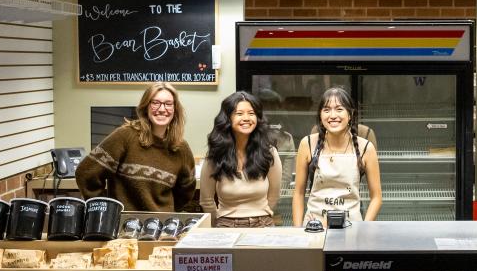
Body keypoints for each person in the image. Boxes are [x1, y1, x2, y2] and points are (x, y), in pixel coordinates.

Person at [75, 81, 197, 214]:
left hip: (161, 228)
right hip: (124, 227)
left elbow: (186, 190)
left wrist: (168, 212)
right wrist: (105, 210)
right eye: (155, 103)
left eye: (168, 104)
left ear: (175, 109)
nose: (162, 109)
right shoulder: (125, 136)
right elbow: (86, 173)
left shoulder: (181, 148)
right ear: (146, 106)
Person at [291, 85, 382, 228]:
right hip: (314, 226)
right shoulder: (307, 143)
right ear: (320, 116)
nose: (333, 116)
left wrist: (364, 227)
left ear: (350, 114)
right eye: (326, 110)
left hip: (352, 226)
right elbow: (298, 193)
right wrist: (297, 231)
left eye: (339, 109)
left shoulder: (366, 148)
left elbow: (376, 197)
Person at [200, 91, 282, 228]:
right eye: (239, 114)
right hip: (225, 224)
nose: (246, 118)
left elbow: (274, 196)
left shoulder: (269, 152)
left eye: (251, 113)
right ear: (227, 118)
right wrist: (218, 226)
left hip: (263, 223)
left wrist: (261, 217)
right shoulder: (215, 154)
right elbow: (206, 200)